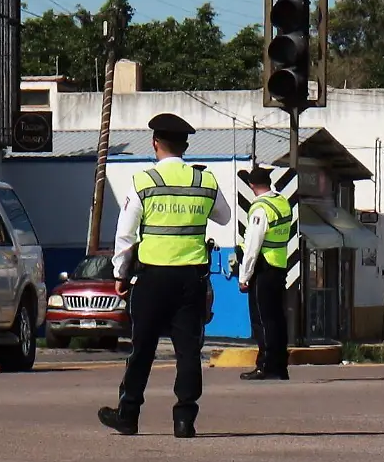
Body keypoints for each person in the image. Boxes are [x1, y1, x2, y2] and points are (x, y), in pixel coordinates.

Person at [97, 113, 232, 439]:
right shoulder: (205, 182)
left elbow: (125, 235)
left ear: (155, 143)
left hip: (152, 280)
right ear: (185, 146)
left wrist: (120, 273)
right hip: (191, 281)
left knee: (142, 349)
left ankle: (128, 415)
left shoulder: (143, 181)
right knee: (188, 351)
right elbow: (225, 217)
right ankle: (184, 420)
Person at [236, 166, 292, 381]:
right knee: (277, 318)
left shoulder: (260, 209)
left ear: (251, 185)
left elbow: (252, 246)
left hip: (263, 267)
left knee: (262, 320)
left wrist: (244, 276)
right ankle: (280, 366)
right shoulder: (282, 202)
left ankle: (265, 366)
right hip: (279, 265)